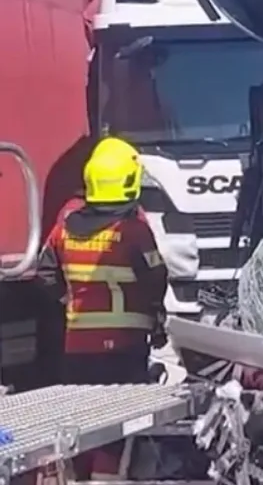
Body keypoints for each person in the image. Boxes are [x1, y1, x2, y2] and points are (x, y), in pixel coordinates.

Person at [35, 135, 168, 480]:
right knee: (117, 428)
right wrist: (155, 318)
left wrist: (70, 305)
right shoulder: (134, 230)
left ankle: (78, 476)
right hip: (125, 350)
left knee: (82, 425)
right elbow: (156, 277)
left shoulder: (64, 225)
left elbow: (46, 274)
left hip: (77, 349)